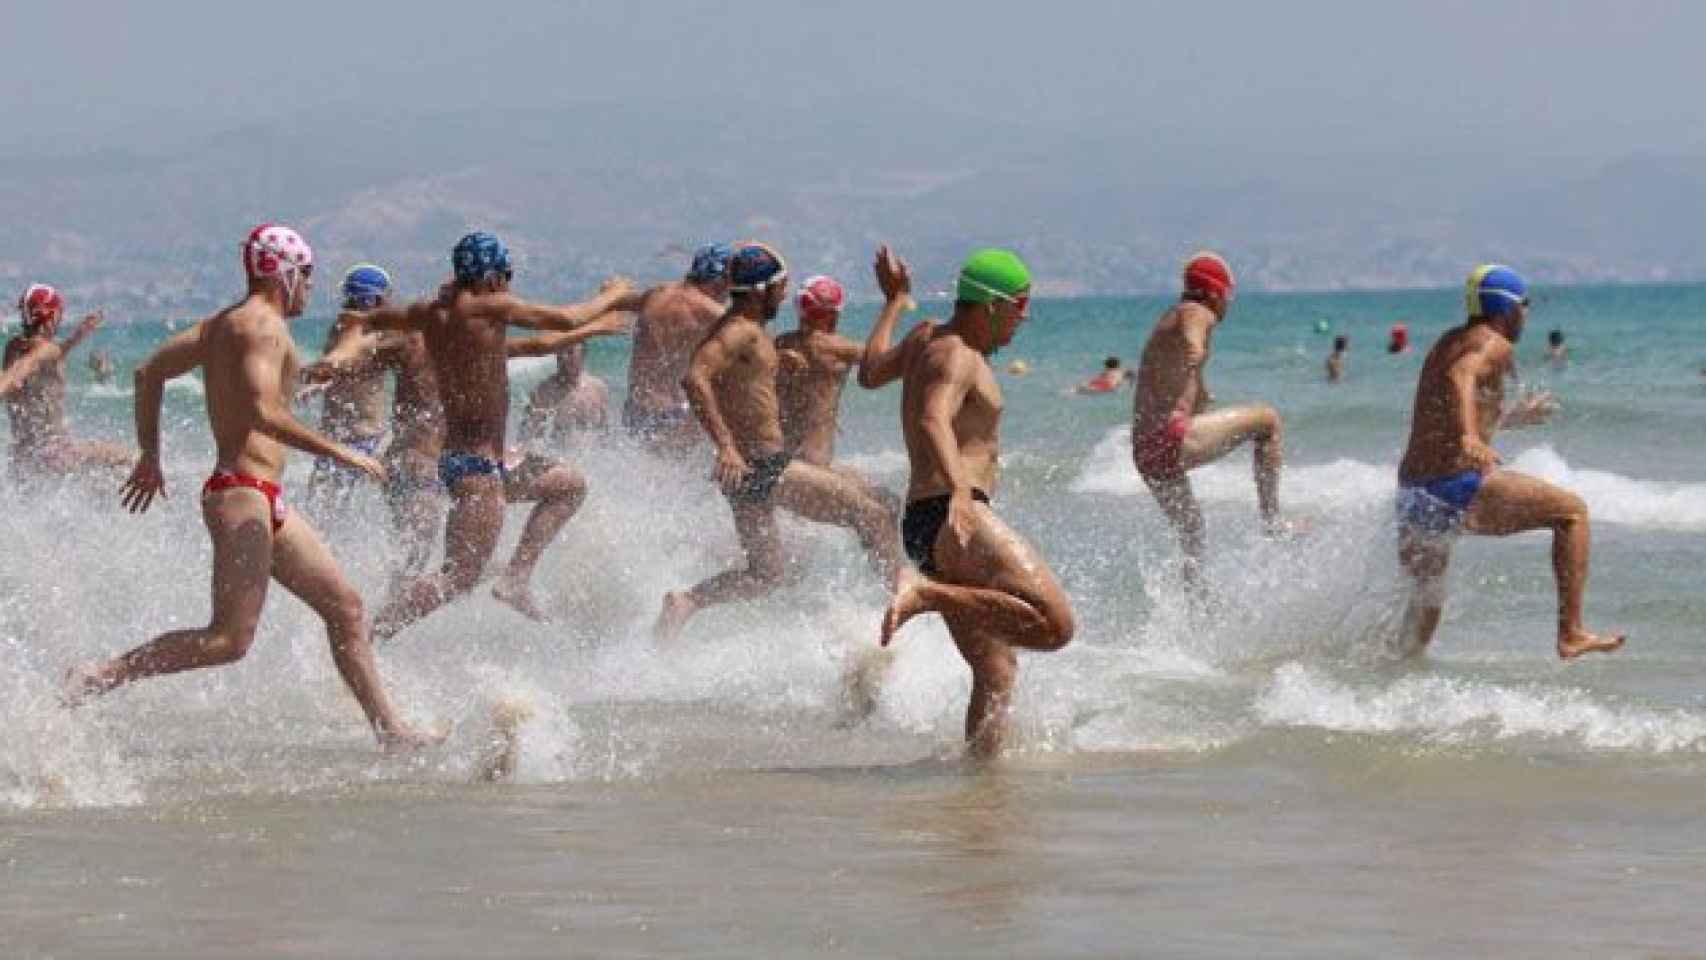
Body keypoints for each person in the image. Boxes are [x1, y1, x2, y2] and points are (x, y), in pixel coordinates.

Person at [62, 225, 437, 750]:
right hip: (240, 492)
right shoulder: (260, 327)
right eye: (306, 275)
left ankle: (390, 731)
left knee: (346, 608)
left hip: (263, 496)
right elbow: (262, 411)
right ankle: (101, 675)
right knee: (227, 641)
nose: (310, 286)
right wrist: (340, 451)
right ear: (284, 272)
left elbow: (149, 372)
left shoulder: (226, 324)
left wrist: (151, 453)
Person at [345, 232, 632, 637]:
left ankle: (515, 578)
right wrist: (613, 295)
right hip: (476, 470)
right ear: (491, 276)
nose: (509, 284)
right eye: (508, 275)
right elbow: (564, 318)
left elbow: (370, 320)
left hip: (481, 463)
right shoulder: (488, 306)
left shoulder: (436, 315)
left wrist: (340, 348)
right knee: (458, 576)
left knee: (569, 485)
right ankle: (371, 636)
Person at [856, 246, 1074, 759]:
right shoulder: (957, 353)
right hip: (952, 510)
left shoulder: (924, 336)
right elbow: (933, 417)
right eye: (1020, 307)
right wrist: (958, 490)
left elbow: (868, 373)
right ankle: (925, 595)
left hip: (926, 523)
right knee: (1055, 625)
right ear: (992, 304)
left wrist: (895, 302)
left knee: (995, 672)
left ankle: (980, 793)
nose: (1022, 321)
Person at [654, 243, 902, 641]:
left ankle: (687, 601)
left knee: (765, 575)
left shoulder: (755, 334)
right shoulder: (739, 331)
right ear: (759, 291)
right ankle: (902, 611)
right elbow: (694, 378)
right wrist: (726, 446)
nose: (784, 297)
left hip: (748, 472)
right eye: (780, 288)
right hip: (762, 465)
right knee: (872, 515)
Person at [1395, 264, 1623, 660]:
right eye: (1526, 304)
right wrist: (1468, 436)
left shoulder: (1451, 341)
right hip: (1453, 485)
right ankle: (1571, 633)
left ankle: (1389, 673)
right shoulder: (1492, 343)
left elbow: (1451, 396)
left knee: (1425, 606)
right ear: (1509, 307)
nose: (1528, 314)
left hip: (1414, 494)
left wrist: (1506, 418)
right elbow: (1462, 378)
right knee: (1572, 513)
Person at [1131, 252, 1284, 586]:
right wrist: (1196, 349)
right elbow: (1192, 333)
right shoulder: (1197, 312)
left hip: (1145, 454)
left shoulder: (1167, 320)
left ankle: (1197, 611)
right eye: (1228, 298)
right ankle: (1272, 522)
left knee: (1193, 532)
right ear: (1216, 294)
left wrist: (1200, 390)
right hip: (1171, 440)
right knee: (1268, 421)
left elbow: (1181, 383)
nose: (1228, 306)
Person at [774, 274, 899, 510]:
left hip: (786, 460)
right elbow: (886, 359)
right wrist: (893, 304)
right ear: (833, 315)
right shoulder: (837, 348)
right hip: (814, 463)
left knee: (886, 499)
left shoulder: (779, 344)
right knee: (884, 510)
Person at [1, 284, 132, 479]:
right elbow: (24, 368)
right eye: (59, 315)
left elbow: (41, 359)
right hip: (54, 454)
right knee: (124, 456)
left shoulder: (14, 347)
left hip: (22, 457)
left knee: (95, 478)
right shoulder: (46, 352)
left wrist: (76, 337)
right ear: (52, 316)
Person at [614, 243, 731, 452]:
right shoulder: (713, 313)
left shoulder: (655, 294)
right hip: (673, 414)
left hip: (635, 409)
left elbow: (615, 303)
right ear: (720, 280)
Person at [302, 265, 395, 510]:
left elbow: (341, 363)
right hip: (349, 439)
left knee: (322, 513)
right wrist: (318, 382)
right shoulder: (350, 330)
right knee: (324, 512)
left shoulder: (375, 332)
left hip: (360, 438)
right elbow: (337, 367)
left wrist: (318, 378)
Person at [518, 340, 611, 445]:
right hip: (556, 458)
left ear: (583, 355)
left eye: (570, 352)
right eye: (560, 352)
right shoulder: (543, 393)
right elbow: (525, 440)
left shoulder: (598, 389)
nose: (563, 357)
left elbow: (604, 436)